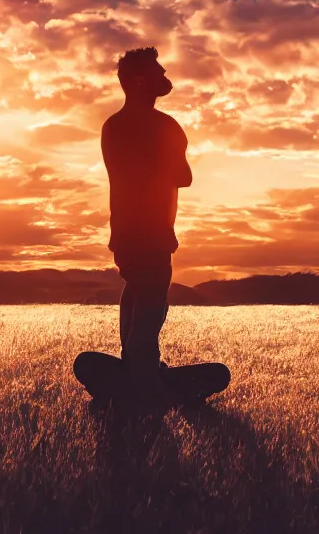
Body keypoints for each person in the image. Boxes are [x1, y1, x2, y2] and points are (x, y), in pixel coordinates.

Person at [98, 47, 191, 404]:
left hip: (124, 230)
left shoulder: (112, 127)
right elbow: (184, 175)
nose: (166, 74)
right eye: (158, 71)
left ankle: (134, 364)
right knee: (152, 298)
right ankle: (144, 373)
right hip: (152, 231)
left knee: (136, 288)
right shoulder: (164, 126)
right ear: (140, 80)